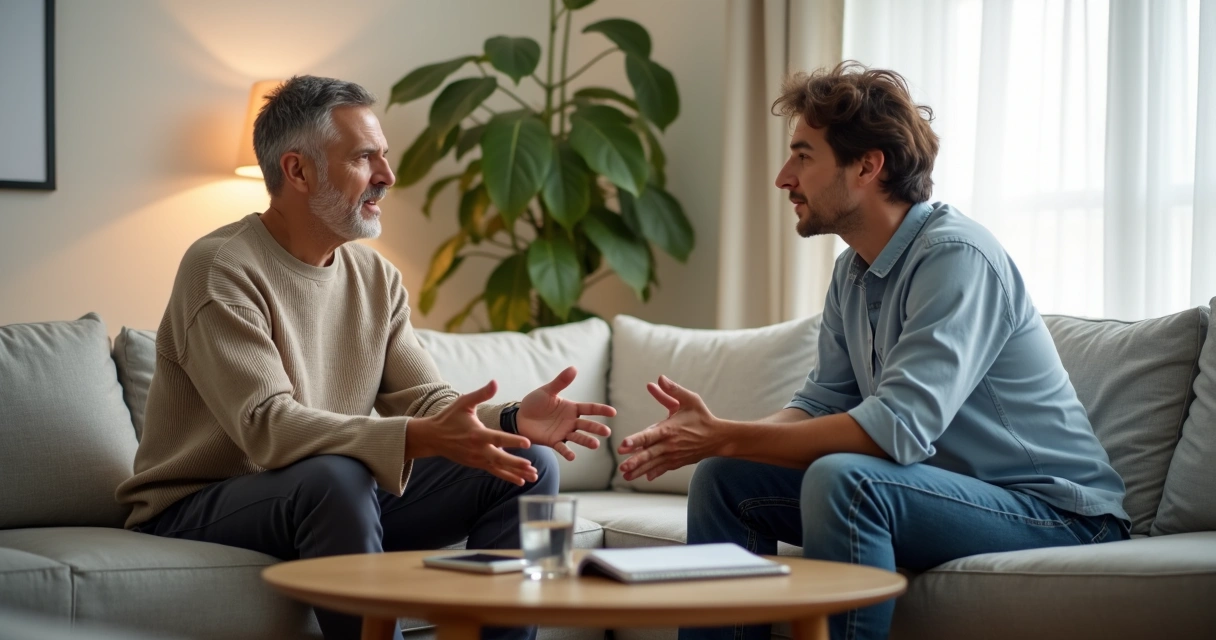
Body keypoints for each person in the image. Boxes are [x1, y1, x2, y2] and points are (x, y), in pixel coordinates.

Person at [614, 62, 1129, 640]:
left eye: (804, 156)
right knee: (724, 476)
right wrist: (718, 438)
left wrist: (728, 432)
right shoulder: (852, 273)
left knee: (846, 479)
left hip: (1056, 514)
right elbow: (820, 403)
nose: (784, 177)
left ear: (867, 165)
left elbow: (895, 429)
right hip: (939, 496)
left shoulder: (957, 257)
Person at [115, 75, 615, 640]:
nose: (387, 176)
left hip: (321, 496)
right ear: (298, 171)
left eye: (385, 156)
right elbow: (267, 429)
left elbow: (428, 400)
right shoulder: (220, 267)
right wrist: (414, 439)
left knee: (526, 464)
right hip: (199, 503)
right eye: (364, 158)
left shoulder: (375, 277)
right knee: (337, 476)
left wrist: (508, 420)